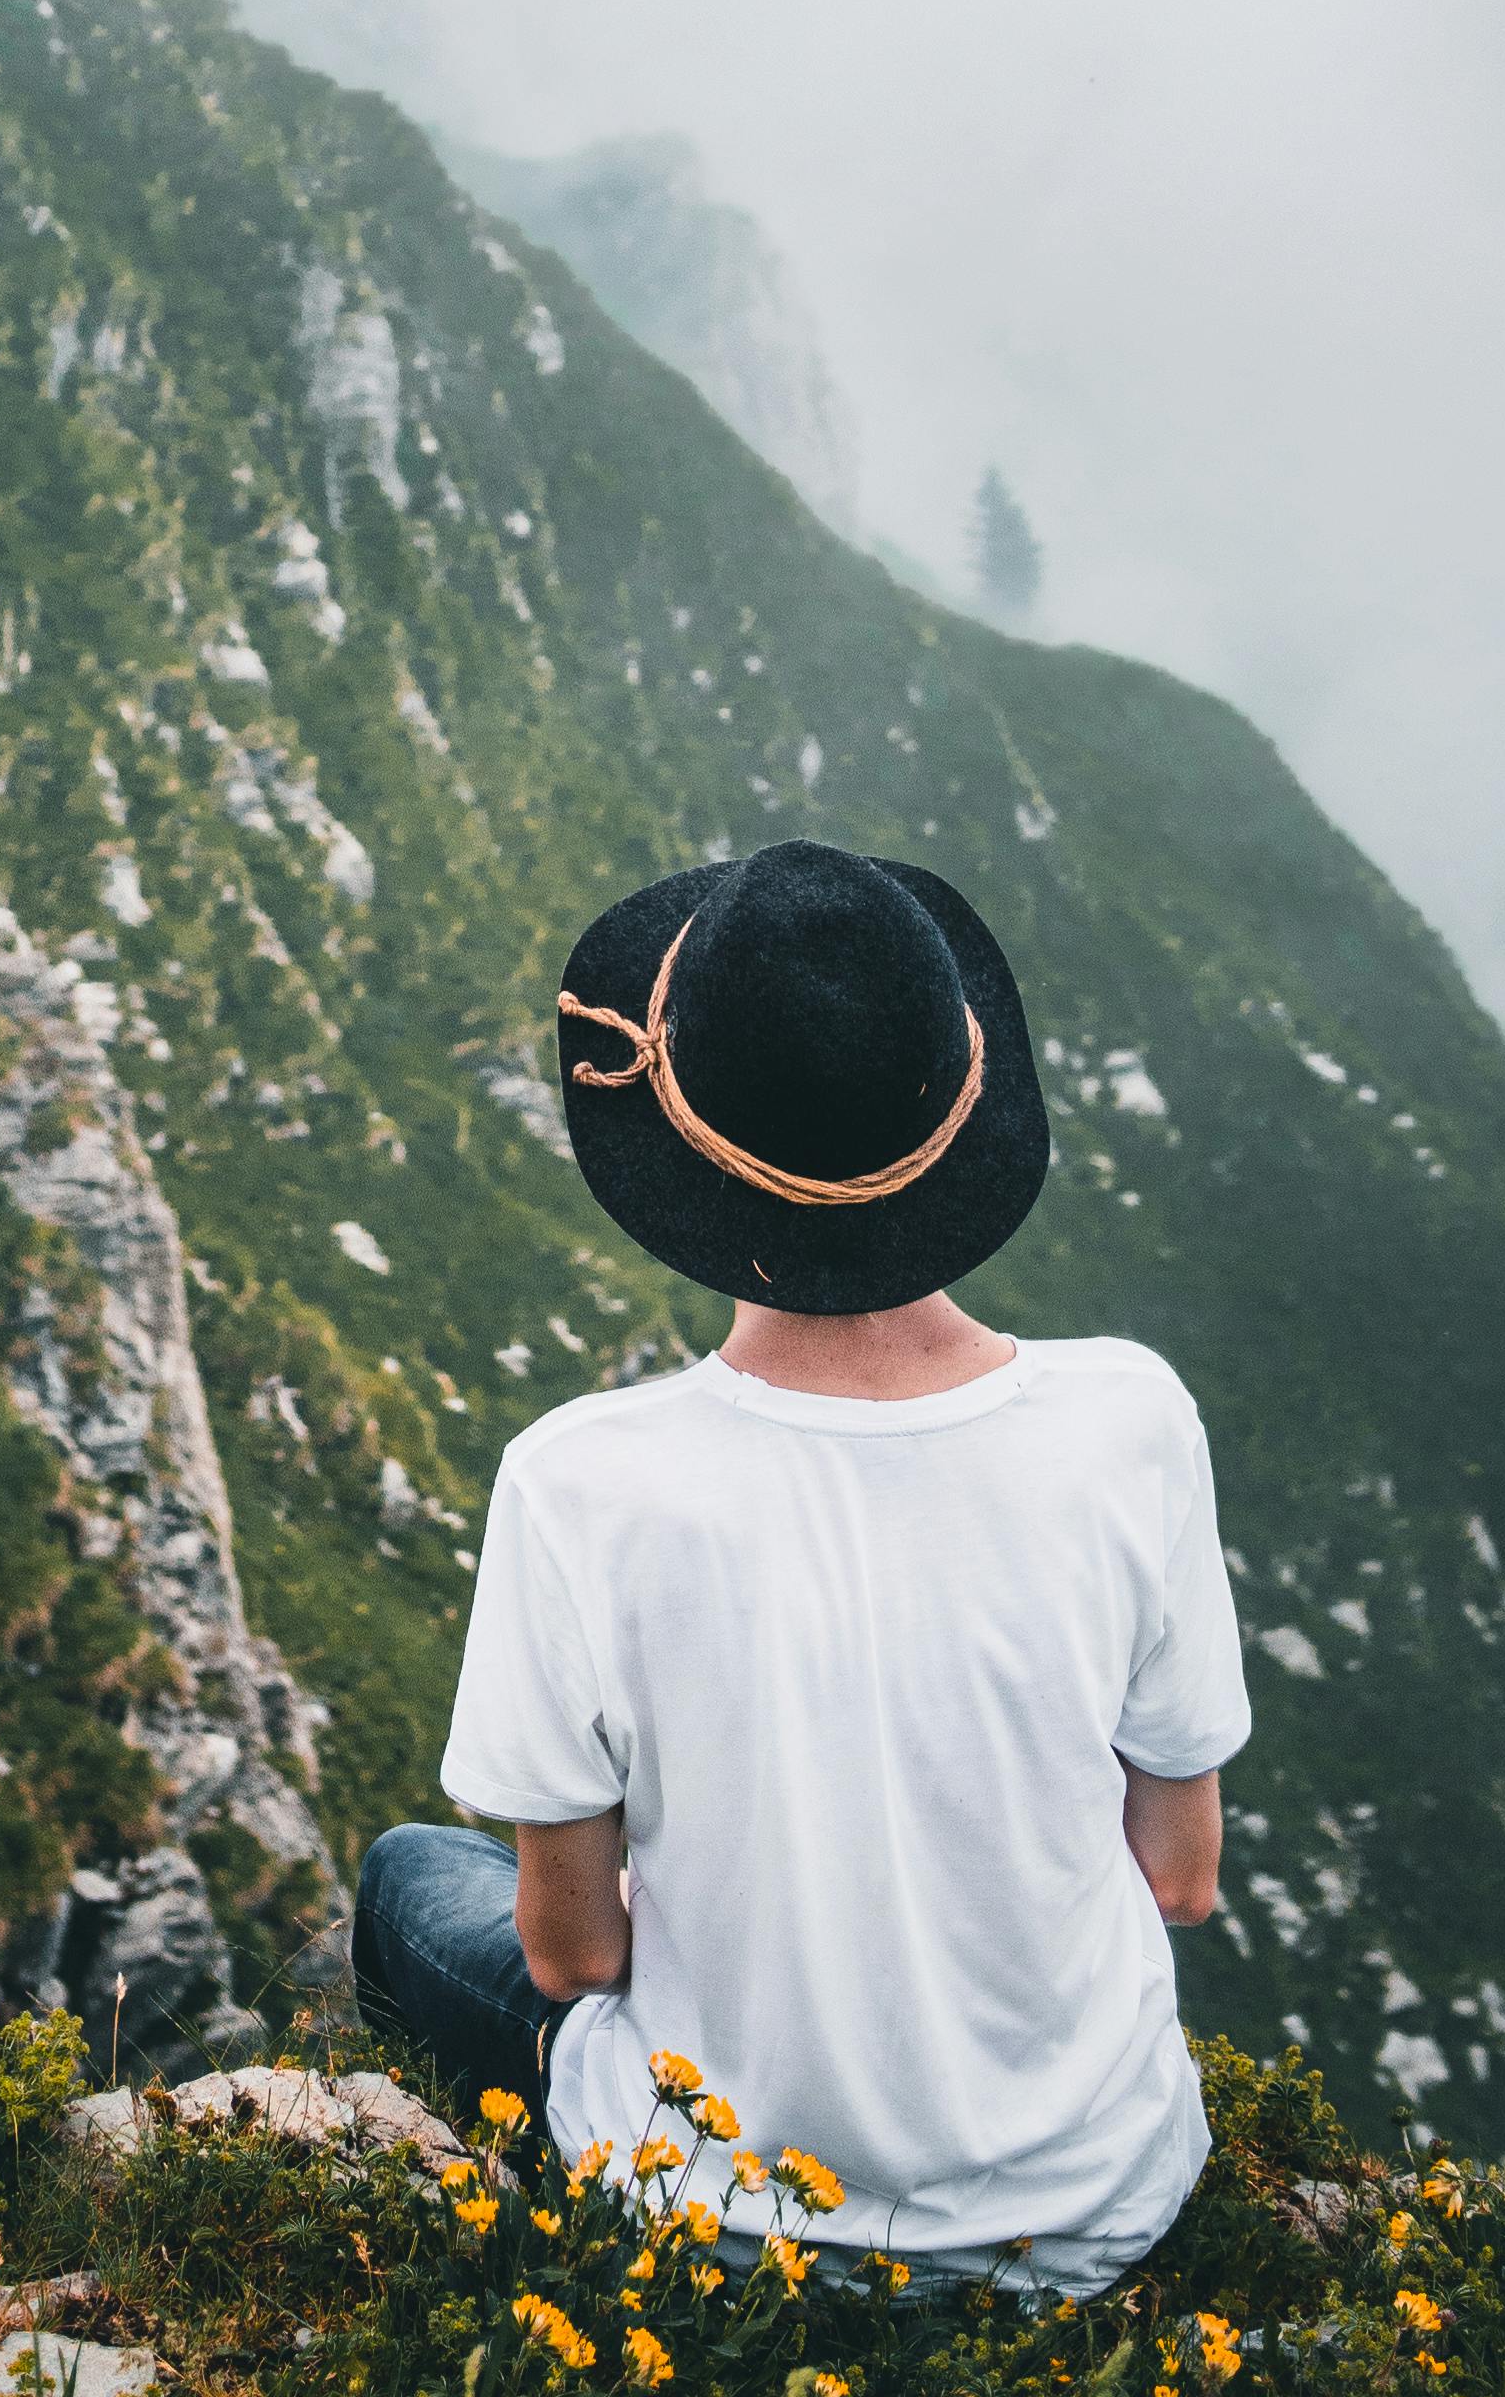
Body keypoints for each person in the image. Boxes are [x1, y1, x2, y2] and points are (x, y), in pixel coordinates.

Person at [354, 835, 1245, 2291]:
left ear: (686, 1143)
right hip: (1091, 2220)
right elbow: (1181, 1875)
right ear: (958, 1107)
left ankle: (497, 2219)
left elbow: (573, 1955)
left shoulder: (580, 1480)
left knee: (409, 1874)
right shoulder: (1130, 1420)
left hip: (723, 2226)